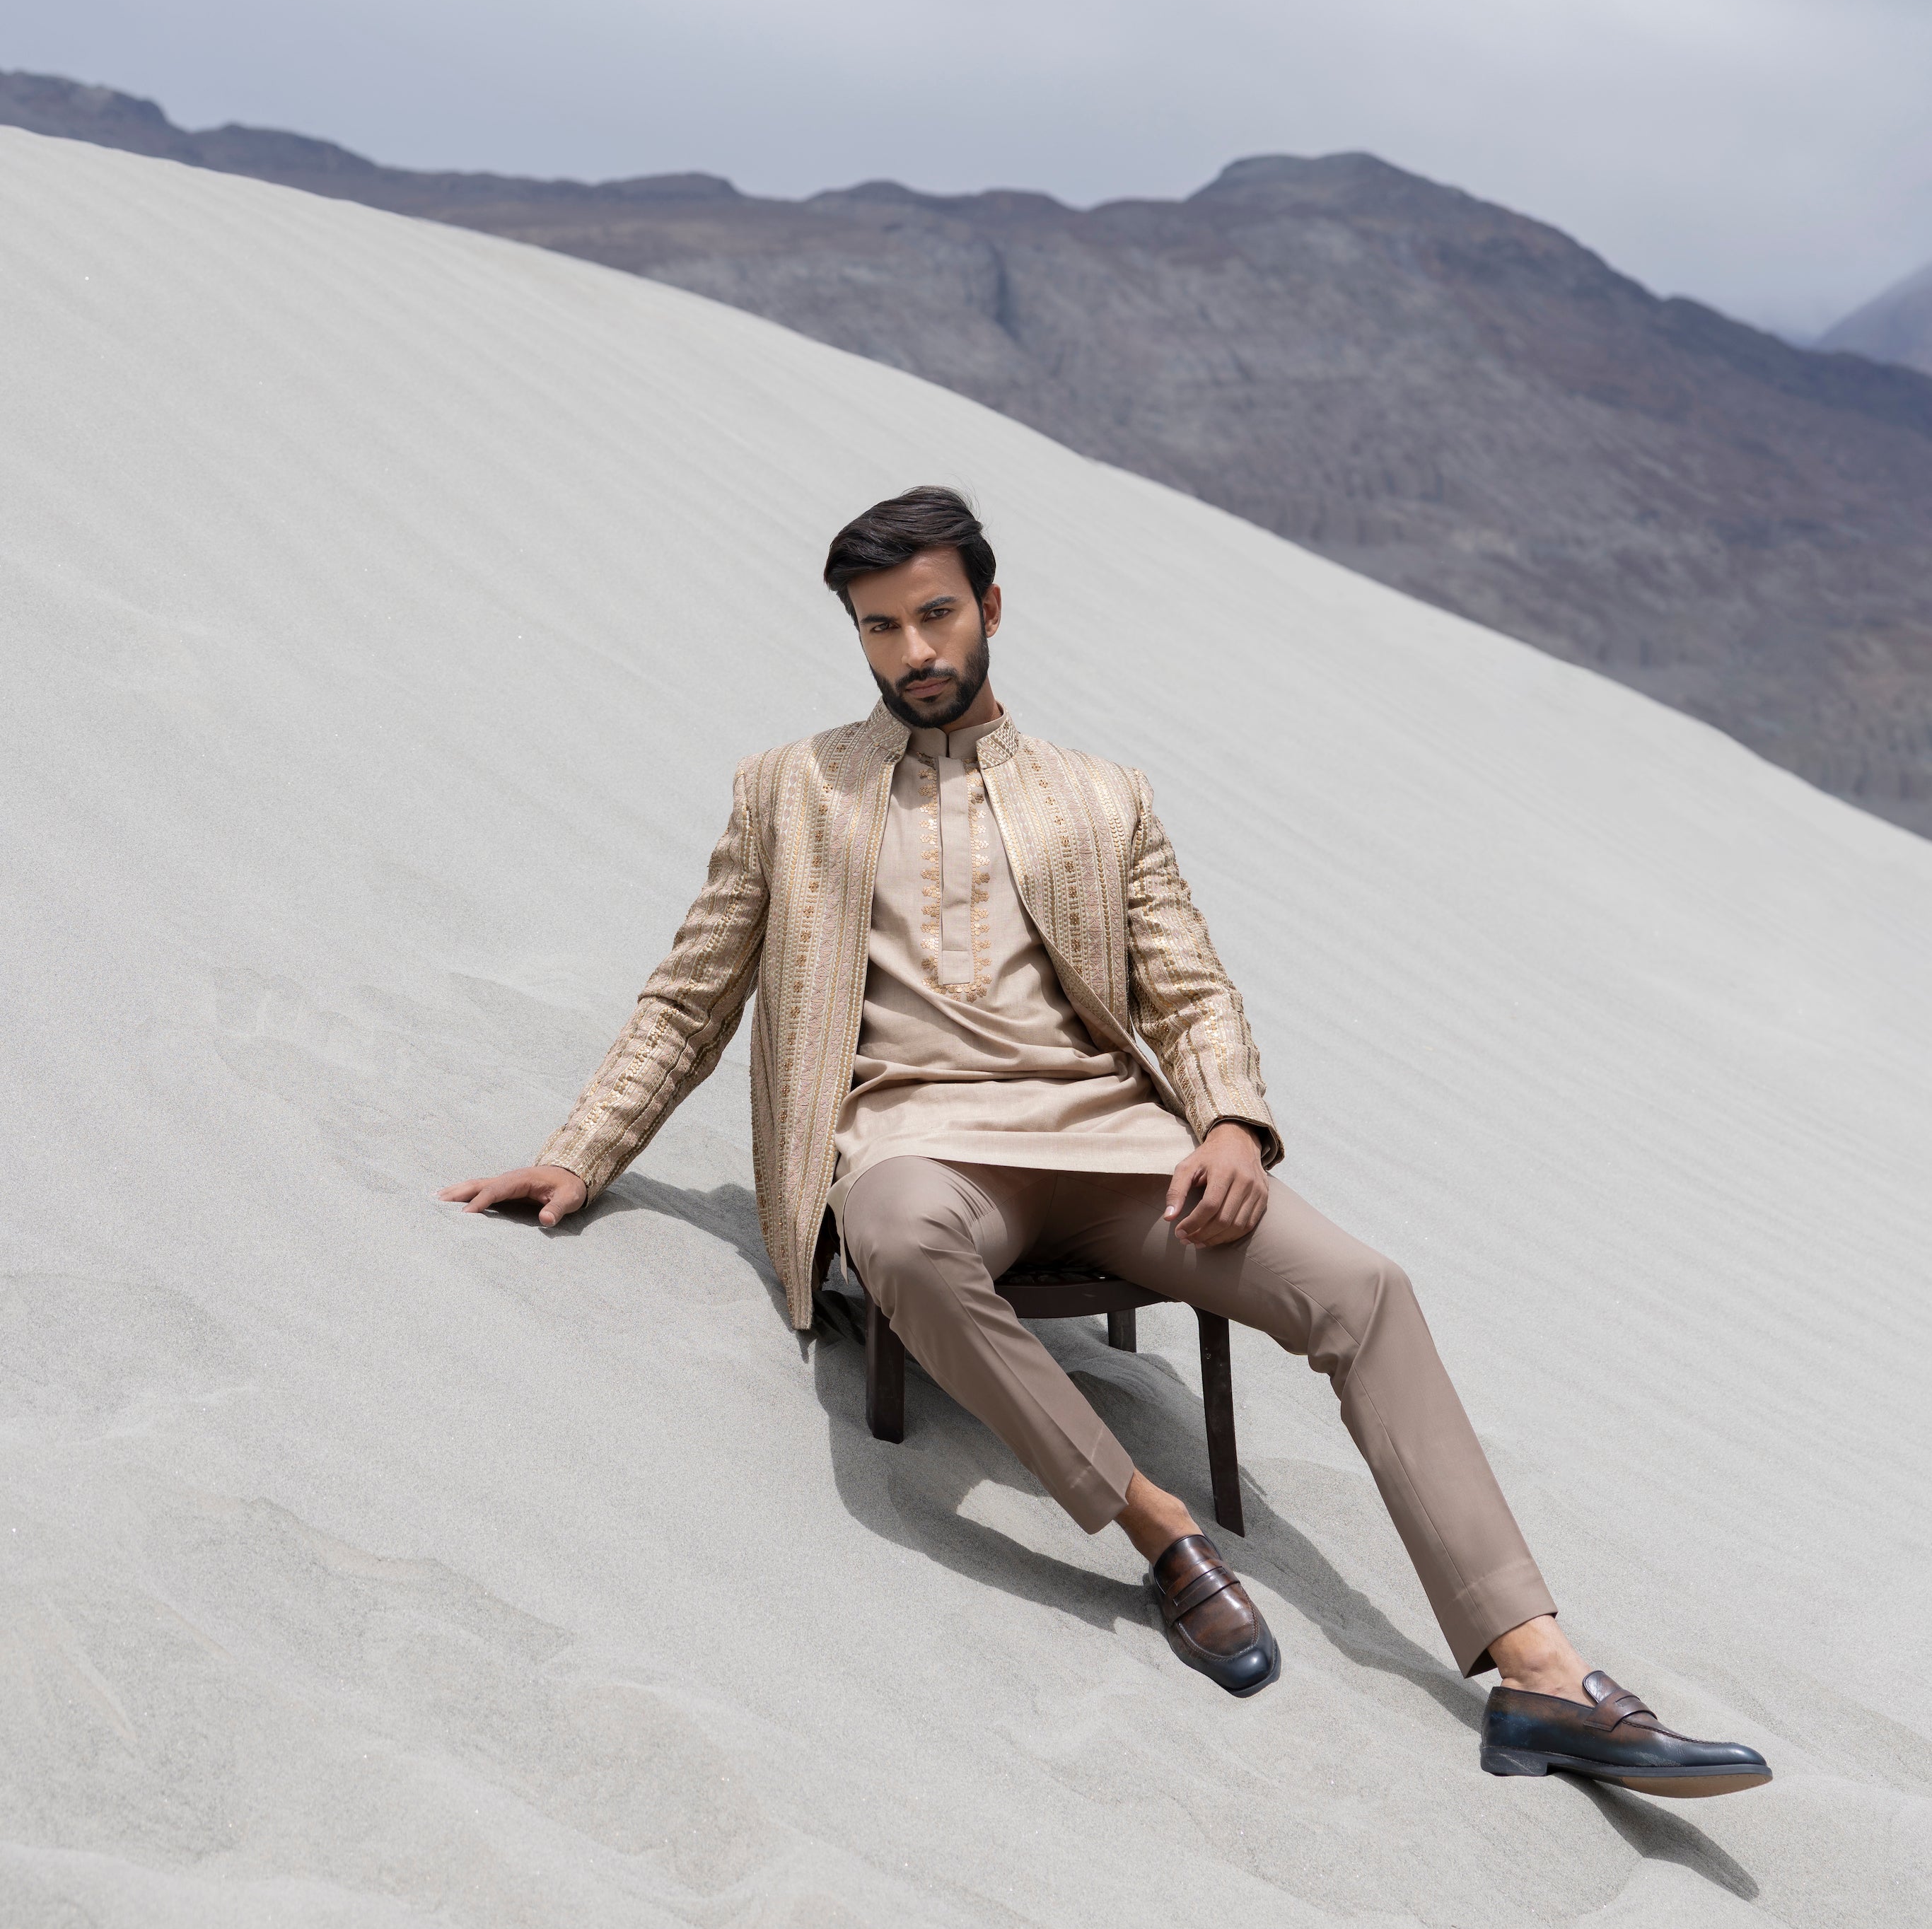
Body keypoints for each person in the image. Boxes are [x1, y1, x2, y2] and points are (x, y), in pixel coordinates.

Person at [446, 488, 1769, 1794]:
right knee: (900, 1237)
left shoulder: (1101, 798)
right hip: (921, 1150)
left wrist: (1235, 1122)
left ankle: (1538, 1675)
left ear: (991, 610)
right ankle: (1158, 1529)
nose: (913, 651)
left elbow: (1188, 990)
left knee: (1366, 1291)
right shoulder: (790, 791)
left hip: (1121, 1152)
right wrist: (583, 1151)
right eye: (880, 627)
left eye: (936, 615)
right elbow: (694, 994)